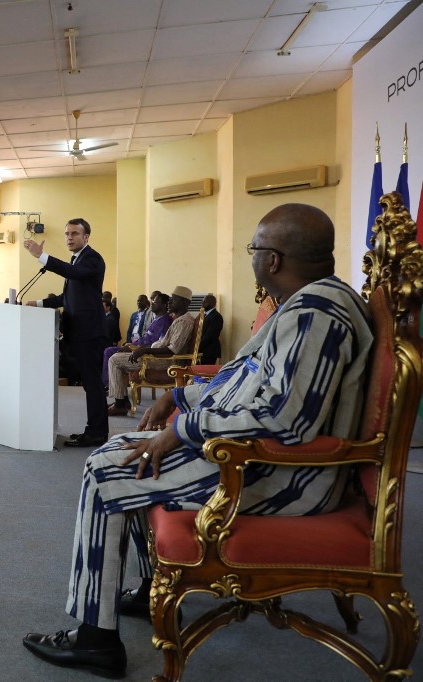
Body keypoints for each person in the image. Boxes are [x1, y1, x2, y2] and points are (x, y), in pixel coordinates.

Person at [22, 203, 373, 677]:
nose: (249, 257)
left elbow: (286, 420)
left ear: (272, 260)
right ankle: (149, 592)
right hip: (254, 455)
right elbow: (245, 378)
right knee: (121, 453)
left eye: (252, 249)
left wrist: (182, 429)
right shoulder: (306, 305)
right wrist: (181, 397)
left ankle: (94, 641)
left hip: (283, 474)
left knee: (106, 471)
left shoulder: (317, 316)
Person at [24, 218, 108, 447]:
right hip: (79, 332)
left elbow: (72, 273)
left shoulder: (92, 259)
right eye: (67, 234)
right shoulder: (77, 260)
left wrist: (42, 257)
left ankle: (97, 433)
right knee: (89, 384)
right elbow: (66, 298)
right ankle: (94, 430)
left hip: (89, 332)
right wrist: (38, 303)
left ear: (86, 237)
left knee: (93, 384)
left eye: (74, 234)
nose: (69, 238)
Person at [106, 286, 196, 416]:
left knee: (114, 360)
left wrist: (144, 351)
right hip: (157, 357)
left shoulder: (184, 322)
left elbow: (172, 350)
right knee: (117, 355)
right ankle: (122, 402)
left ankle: (120, 404)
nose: (170, 302)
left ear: (185, 303)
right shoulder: (179, 319)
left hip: (165, 362)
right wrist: (143, 349)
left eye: (174, 300)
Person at [199, 294, 223, 363]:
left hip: (209, 351)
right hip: (204, 350)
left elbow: (209, 336)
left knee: (205, 372)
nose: (202, 304)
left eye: (204, 302)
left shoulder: (216, 316)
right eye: (202, 301)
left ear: (211, 303)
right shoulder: (206, 315)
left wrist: (197, 348)